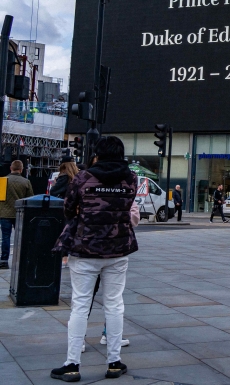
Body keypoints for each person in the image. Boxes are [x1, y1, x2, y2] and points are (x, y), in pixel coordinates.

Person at [50, 136, 139, 382]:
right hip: (118, 249)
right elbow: (128, 206)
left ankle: (71, 365)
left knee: (80, 304)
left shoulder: (83, 177)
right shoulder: (131, 178)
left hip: (86, 248)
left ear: (97, 154)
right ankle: (114, 362)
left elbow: (68, 208)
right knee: (114, 303)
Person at [0, 160, 34, 269]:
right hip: (20, 213)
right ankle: (21, 259)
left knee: (5, 237)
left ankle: (4, 260)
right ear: (21, 169)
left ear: (11, 168)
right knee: (21, 237)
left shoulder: (3, 180)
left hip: (5, 213)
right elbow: (30, 198)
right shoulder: (26, 182)